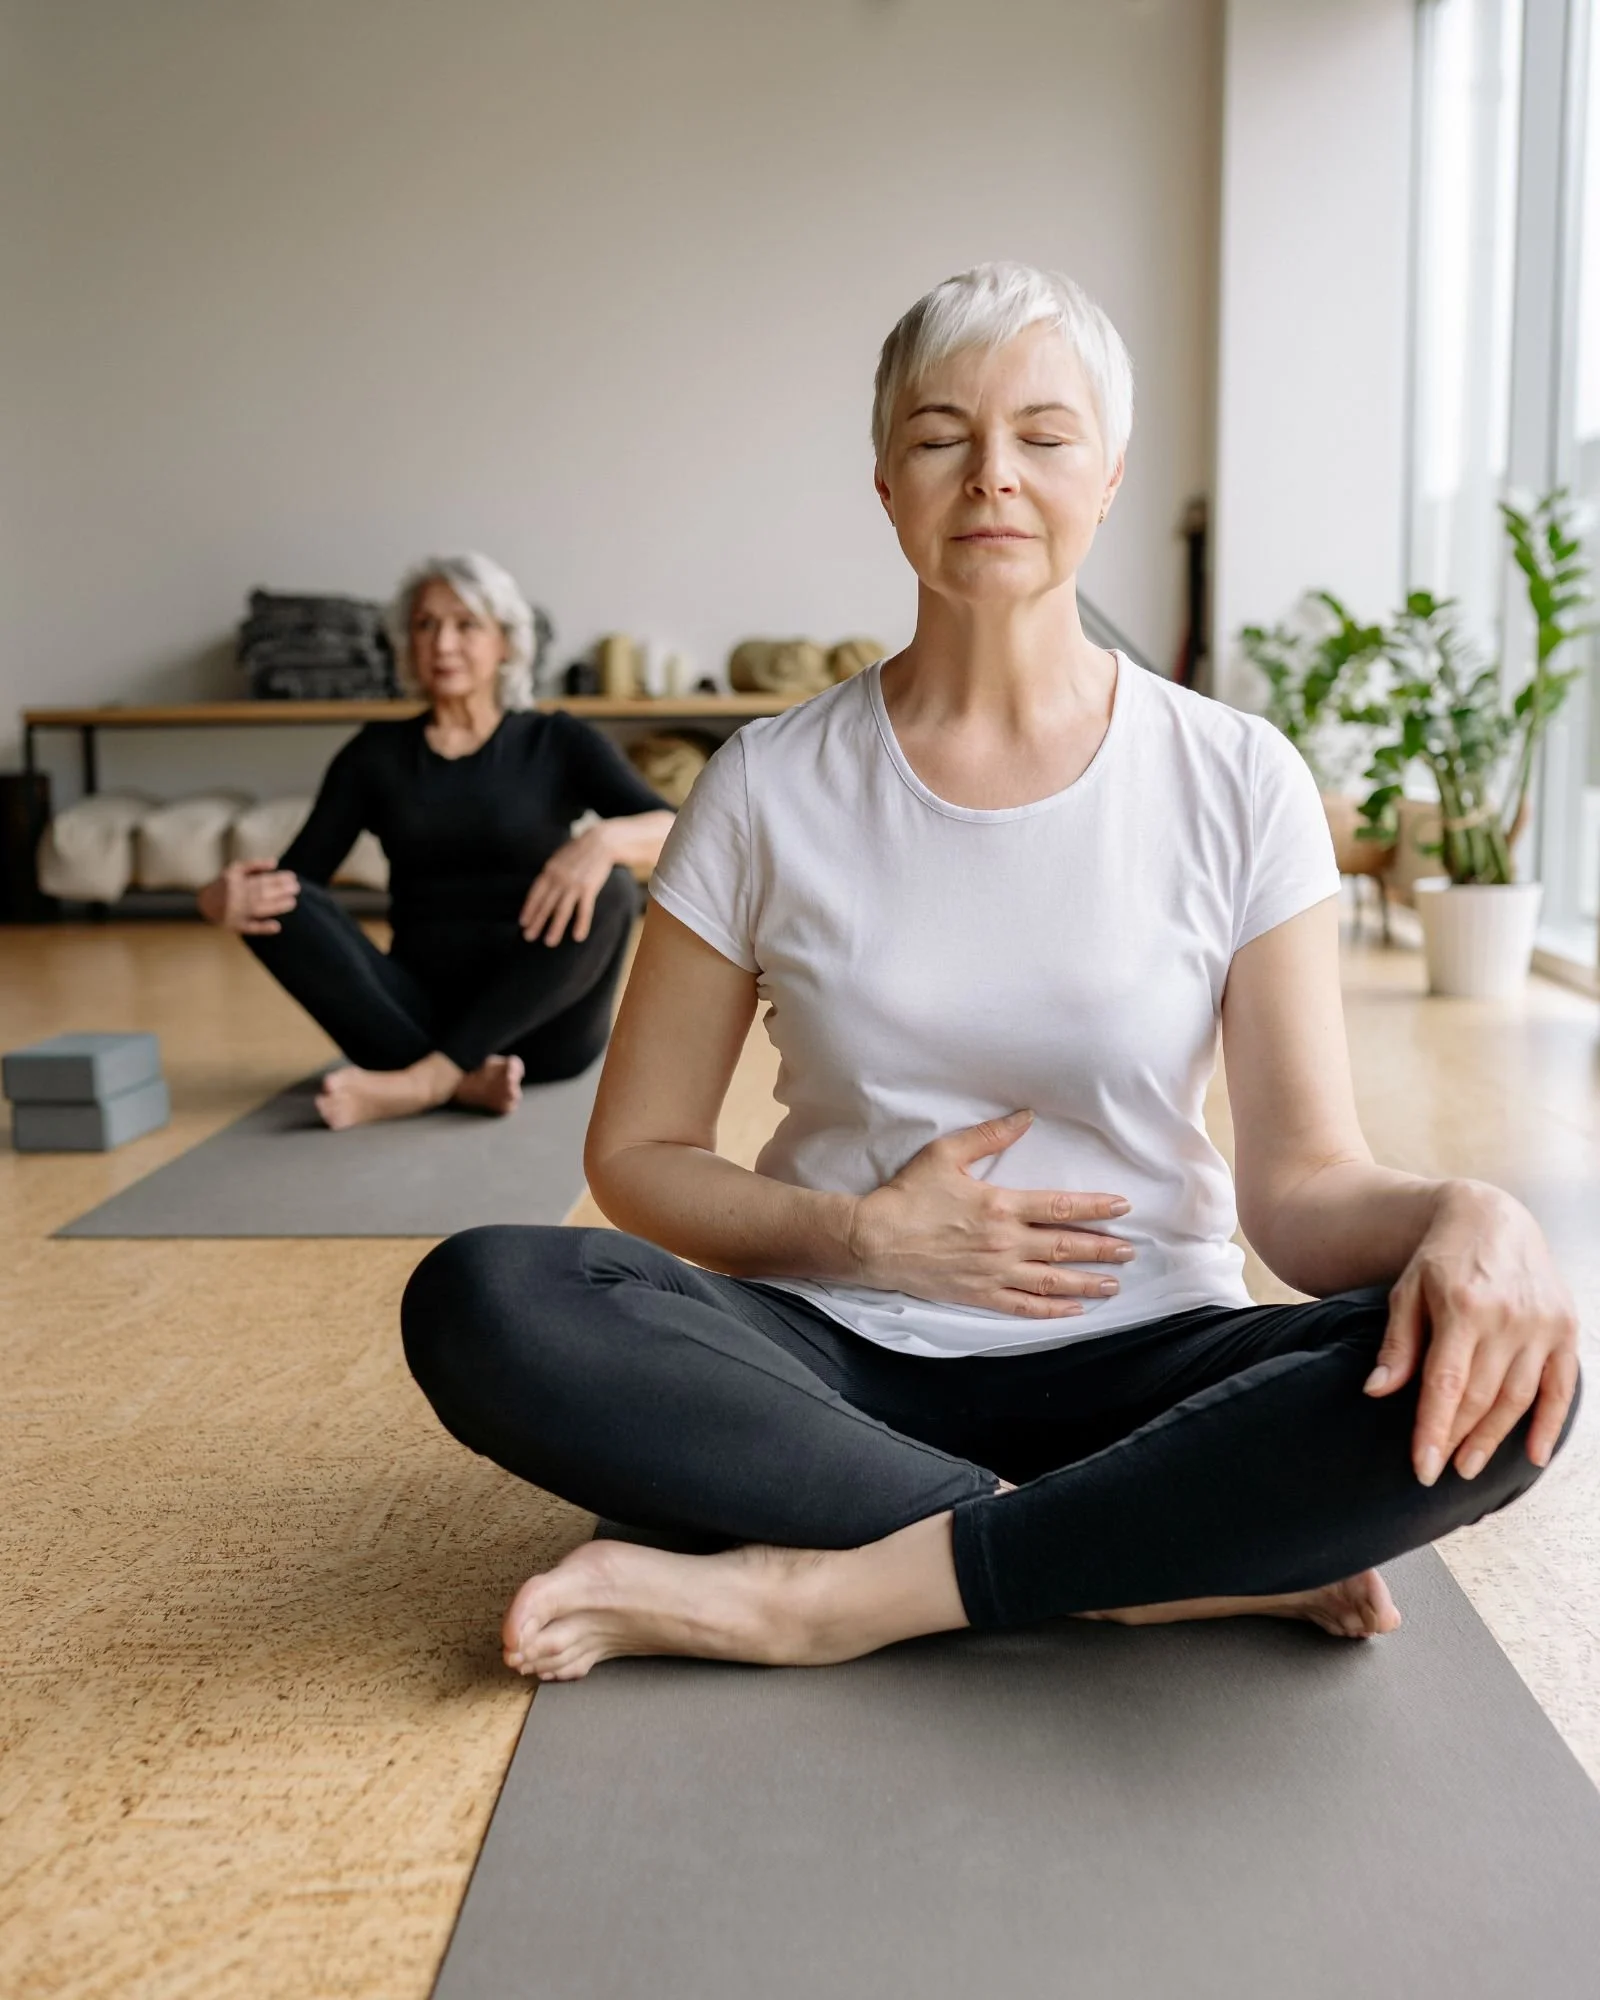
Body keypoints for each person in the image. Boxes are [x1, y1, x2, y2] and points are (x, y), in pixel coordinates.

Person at [402, 265, 1581, 1681]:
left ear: (1110, 474)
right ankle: (1138, 1567)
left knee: (1509, 1378)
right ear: (888, 481)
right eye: (942, 435)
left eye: (1045, 435)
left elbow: (1300, 1193)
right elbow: (640, 1157)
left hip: (1150, 1353)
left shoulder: (1237, 777)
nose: (993, 477)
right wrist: (863, 1241)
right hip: (834, 1361)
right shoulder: (768, 785)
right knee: (488, 1298)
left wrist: (1469, 1212)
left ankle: (823, 1598)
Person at [198, 553, 674, 1129]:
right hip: (414, 1018)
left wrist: (603, 841)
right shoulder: (374, 754)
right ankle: (460, 1078)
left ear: (505, 643)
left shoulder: (557, 740)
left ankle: (427, 1082)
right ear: (407, 644)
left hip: (543, 1030)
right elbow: (299, 884)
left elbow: (678, 830)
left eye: (466, 624)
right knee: (277, 901)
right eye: (426, 625)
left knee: (615, 889)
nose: (443, 643)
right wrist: (218, 902)